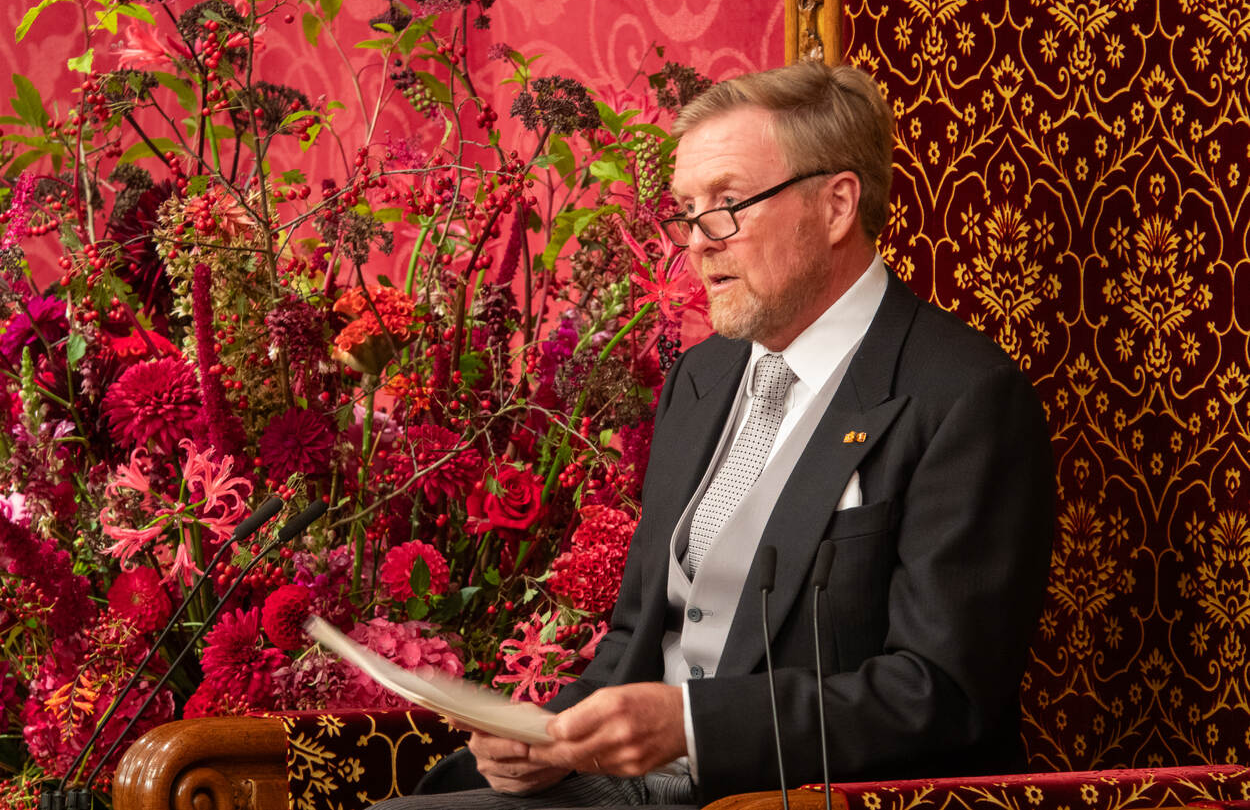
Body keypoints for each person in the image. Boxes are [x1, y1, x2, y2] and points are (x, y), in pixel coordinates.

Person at [379, 60, 1054, 810]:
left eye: (728, 204)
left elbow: (941, 692)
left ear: (836, 206)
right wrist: (550, 736)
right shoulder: (699, 377)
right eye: (686, 210)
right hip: (622, 790)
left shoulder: (964, 397)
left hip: (784, 798)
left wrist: (695, 727)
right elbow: (638, 637)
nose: (697, 242)